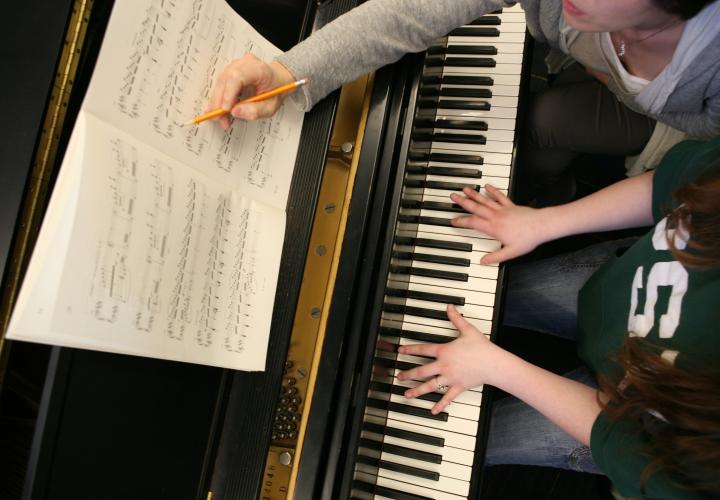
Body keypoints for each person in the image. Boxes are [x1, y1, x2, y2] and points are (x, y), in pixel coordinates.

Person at [395, 135, 720, 498]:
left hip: (618, 424)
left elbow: (623, 444)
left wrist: (495, 366)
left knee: (460, 438)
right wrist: (540, 223)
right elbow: (671, 183)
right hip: (613, 291)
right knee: (477, 292)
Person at [209, 0, 720, 203]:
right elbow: (412, 12)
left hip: (672, 130)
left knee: (545, 123)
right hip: (600, 76)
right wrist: (287, 72)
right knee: (542, 126)